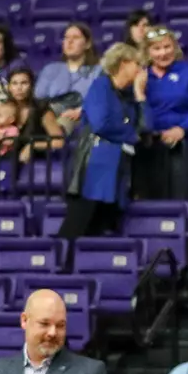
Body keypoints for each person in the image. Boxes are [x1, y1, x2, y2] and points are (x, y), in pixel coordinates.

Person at [60, 42, 141, 243]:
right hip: (94, 168)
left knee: (99, 227)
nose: (141, 70)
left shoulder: (128, 95)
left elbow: (146, 126)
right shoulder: (100, 86)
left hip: (116, 168)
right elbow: (101, 124)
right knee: (78, 224)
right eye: (137, 64)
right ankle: (60, 268)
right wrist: (131, 135)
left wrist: (141, 94)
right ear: (123, 64)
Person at [134, 25, 188, 200]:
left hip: (185, 144)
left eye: (167, 47)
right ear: (147, 51)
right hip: (150, 146)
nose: (163, 53)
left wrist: (181, 130)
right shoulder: (141, 77)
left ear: (174, 47)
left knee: (180, 196)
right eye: (156, 48)